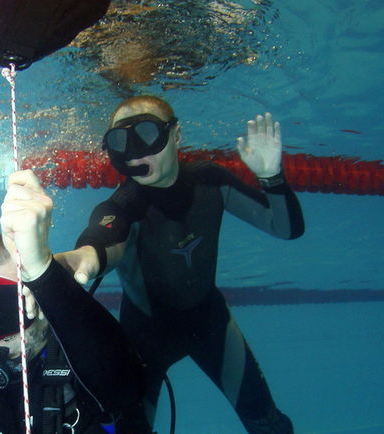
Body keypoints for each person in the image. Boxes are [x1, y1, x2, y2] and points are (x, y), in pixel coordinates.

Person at [54, 95, 305, 433]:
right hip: (144, 340)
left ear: (176, 135)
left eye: (147, 134)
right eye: (121, 141)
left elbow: (286, 229)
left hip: (211, 325)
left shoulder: (210, 181)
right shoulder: (125, 204)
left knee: (267, 423)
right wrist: (80, 259)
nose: (136, 152)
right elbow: (103, 238)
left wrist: (272, 177)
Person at [0, 170, 150, 434]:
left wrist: (43, 273)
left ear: (40, 305)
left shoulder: (82, 366)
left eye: (8, 309)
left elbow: (123, 383)